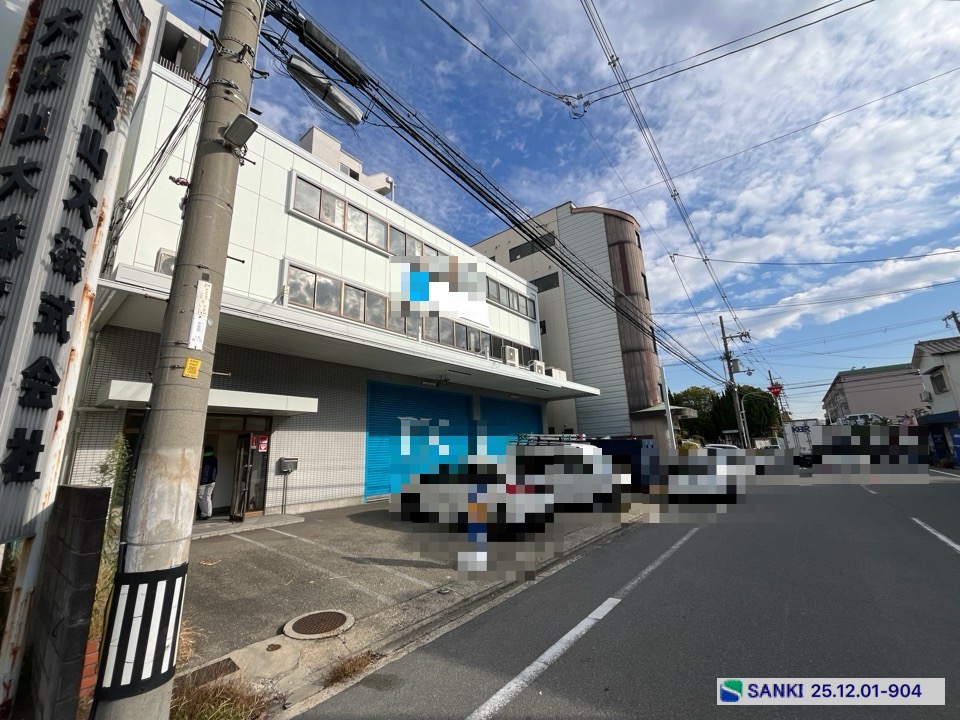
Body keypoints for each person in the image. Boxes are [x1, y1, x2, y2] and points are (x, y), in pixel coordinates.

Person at [197, 444, 218, 520]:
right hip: (212, 481)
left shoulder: (203, 459)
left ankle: (204, 514)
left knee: (201, 498)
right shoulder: (214, 459)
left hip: (203, 481)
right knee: (208, 497)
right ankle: (209, 513)